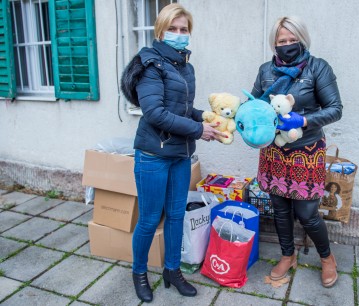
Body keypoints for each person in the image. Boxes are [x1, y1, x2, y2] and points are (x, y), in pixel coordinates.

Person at [125, 4, 227, 303]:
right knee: (149, 218)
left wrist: (205, 117)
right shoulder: (150, 65)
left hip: (180, 154)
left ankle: (172, 271)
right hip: (153, 154)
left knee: (175, 216)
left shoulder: (185, 66)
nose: (180, 34)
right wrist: (198, 130)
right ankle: (139, 273)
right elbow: (155, 112)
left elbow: (180, 110)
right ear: (161, 30)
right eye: (174, 29)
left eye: (184, 30)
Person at [251, 16, 343, 288]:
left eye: (293, 40)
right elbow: (255, 104)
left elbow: (335, 109)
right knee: (279, 209)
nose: (288, 45)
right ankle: (287, 255)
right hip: (274, 151)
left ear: (302, 40)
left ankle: (327, 259)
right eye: (282, 41)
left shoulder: (318, 68)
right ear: (274, 44)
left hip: (306, 150)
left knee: (307, 214)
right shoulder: (266, 70)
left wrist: (303, 120)